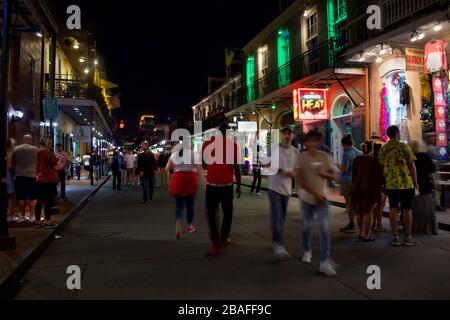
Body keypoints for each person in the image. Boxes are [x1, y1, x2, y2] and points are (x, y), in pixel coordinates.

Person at [295, 131, 339, 277]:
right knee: (306, 225)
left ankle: (324, 262)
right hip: (307, 198)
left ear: (319, 142)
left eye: (316, 141)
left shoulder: (325, 157)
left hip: (323, 199)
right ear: (305, 142)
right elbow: (300, 180)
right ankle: (307, 250)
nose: (312, 144)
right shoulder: (301, 158)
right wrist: (314, 193)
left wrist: (323, 174)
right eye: (310, 141)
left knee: (324, 227)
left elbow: (334, 175)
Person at [202, 121, 241, 256]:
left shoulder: (208, 143)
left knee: (212, 214)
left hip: (212, 185)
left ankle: (216, 240)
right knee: (227, 212)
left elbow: (204, 160)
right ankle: (224, 238)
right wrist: (239, 185)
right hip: (227, 186)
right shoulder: (233, 145)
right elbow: (236, 167)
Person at [379, 125, 420, 246]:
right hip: (406, 183)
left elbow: (381, 166)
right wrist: (416, 183)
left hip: (391, 184)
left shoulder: (384, 149)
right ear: (397, 133)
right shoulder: (404, 146)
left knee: (393, 208)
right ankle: (407, 237)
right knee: (407, 209)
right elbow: (412, 166)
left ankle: (395, 237)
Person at [267, 125, 299, 259]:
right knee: (278, 217)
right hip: (274, 187)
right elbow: (266, 165)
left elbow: (298, 169)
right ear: (281, 135)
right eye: (284, 133)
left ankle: (276, 238)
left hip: (287, 189)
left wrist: (294, 174)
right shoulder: (274, 149)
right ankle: (278, 244)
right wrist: (283, 171)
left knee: (282, 217)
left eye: (289, 133)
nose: (286, 135)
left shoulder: (296, 152)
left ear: (293, 136)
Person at [166, 143, 205, 239]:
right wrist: (204, 181)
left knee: (179, 205)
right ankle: (190, 226)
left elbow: (167, 168)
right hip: (190, 179)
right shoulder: (193, 155)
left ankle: (178, 221)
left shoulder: (175, 154)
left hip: (177, 179)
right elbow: (200, 170)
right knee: (190, 205)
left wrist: (176, 168)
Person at [350, 141, 385, 241]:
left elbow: (354, 175)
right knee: (368, 211)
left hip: (358, 187)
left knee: (359, 211)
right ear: (371, 149)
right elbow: (379, 177)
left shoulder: (356, 160)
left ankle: (361, 233)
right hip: (370, 188)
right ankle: (367, 234)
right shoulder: (374, 161)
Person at [410, 140, 438, 235]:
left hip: (412, 186)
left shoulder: (410, 157)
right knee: (426, 208)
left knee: (415, 208)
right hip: (425, 185)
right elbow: (432, 169)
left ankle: (414, 226)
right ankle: (427, 228)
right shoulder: (425, 156)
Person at [35, 137, 62, 228]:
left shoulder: (38, 153)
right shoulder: (49, 153)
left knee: (40, 200)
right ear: (46, 143)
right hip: (49, 179)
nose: (51, 144)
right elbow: (56, 167)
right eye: (50, 142)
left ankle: (37, 220)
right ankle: (47, 221)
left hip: (40, 179)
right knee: (48, 201)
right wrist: (62, 162)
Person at [13, 134, 39, 223]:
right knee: (33, 197)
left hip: (19, 175)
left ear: (23, 139)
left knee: (21, 197)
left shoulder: (16, 149)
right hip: (32, 175)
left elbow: (13, 161)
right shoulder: (35, 149)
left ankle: (23, 215)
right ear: (31, 140)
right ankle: (32, 216)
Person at [339, 135, 362, 233]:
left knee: (349, 204)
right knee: (357, 203)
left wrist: (338, 167)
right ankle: (361, 225)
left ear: (344, 145)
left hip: (348, 180)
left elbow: (344, 170)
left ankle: (352, 223)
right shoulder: (359, 153)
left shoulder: (346, 154)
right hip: (357, 181)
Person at [370, 132, 389, 232]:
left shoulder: (367, 146)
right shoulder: (384, 146)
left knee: (373, 203)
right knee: (381, 204)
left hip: (371, 180)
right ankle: (379, 224)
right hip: (382, 180)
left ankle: (373, 223)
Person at [7, 138, 16, 222]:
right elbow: (9, 166)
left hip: (6, 175)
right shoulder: (10, 153)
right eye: (13, 144)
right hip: (9, 175)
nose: (14, 145)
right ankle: (10, 213)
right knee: (11, 196)